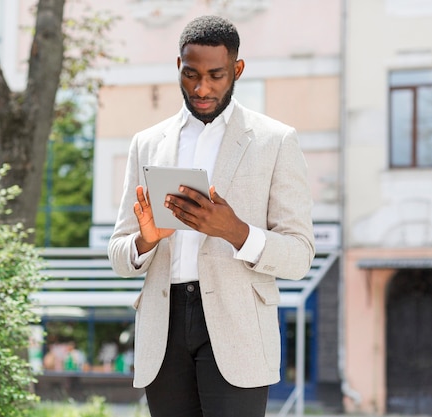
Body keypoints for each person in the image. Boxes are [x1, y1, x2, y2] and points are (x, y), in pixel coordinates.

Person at [107, 15, 316, 417]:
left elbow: (300, 255)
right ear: (178, 68)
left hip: (238, 328)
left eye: (216, 75)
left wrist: (236, 232)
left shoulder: (276, 141)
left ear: (237, 70)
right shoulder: (147, 144)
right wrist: (146, 240)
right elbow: (119, 254)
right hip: (163, 326)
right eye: (191, 75)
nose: (202, 88)